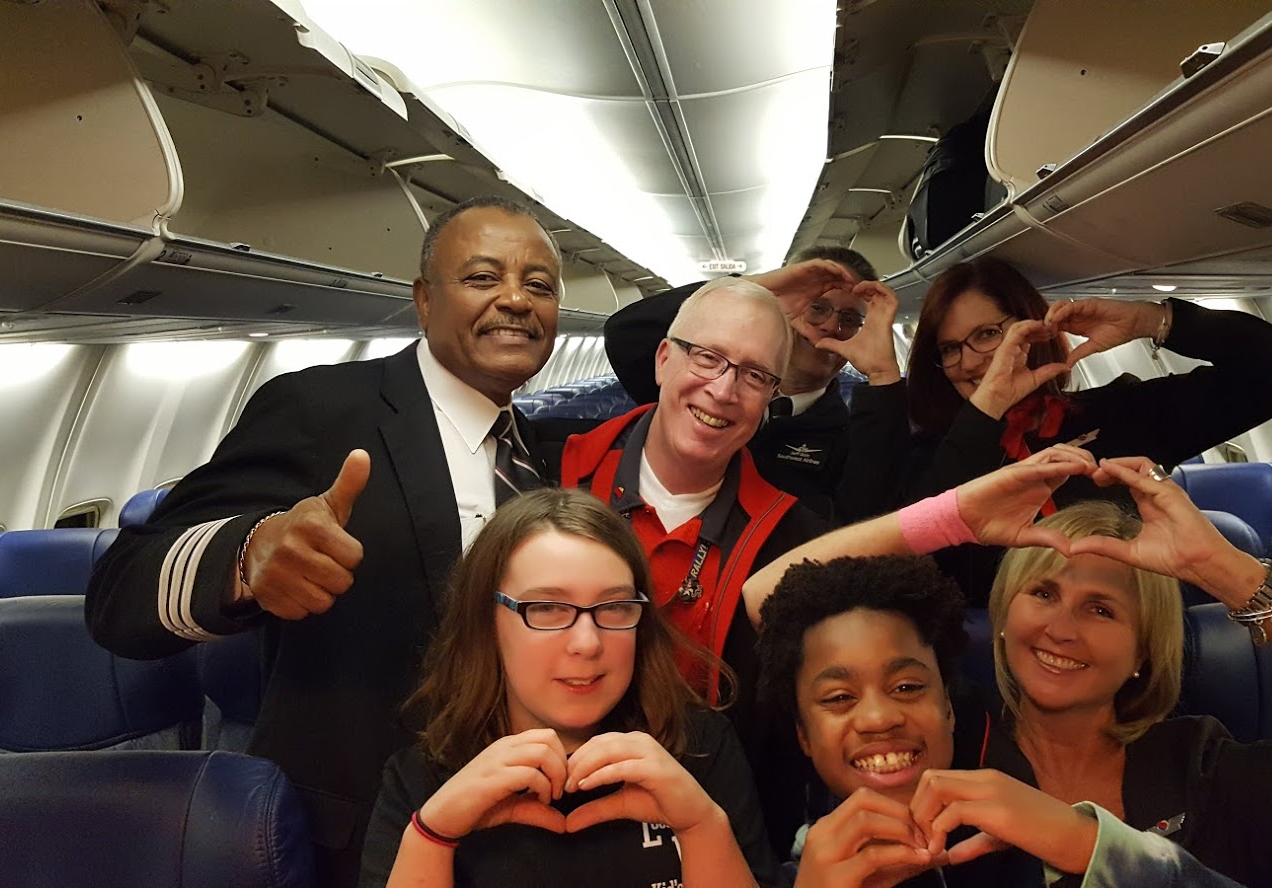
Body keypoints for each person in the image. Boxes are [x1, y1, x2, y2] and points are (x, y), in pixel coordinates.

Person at [86, 195, 562, 886]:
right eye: (483, 278)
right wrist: (247, 559)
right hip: (360, 836)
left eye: (539, 285)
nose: (515, 299)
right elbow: (120, 593)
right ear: (424, 301)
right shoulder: (321, 409)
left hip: (519, 826)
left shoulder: (540, 460)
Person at [744, 447, 1272, 888]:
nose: (1061, 627)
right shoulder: (941, 735)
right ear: (1005, 616)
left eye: (1101, 609)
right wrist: (951, 517)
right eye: (1042, 592)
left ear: (1144, 649)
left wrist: (1223, 572)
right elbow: (773, 602)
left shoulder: (1200, 770)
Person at [542, 274, 833, 856]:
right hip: (550, 819)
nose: (724, 391)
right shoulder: (546, 476)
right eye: (708, 358)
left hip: (722, 829)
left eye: (754, 376)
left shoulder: (793, 536)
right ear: (663, 359)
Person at [359, 488, 779, 887]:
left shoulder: (702, 748)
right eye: (545, 608)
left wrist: (702, 826)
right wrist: (432, 837)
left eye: (615, 607)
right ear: (486, 623)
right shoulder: (420, 781)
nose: (587, 643)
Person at [755, 555, 1251, 888]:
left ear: (949, 708)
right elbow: (756, 597)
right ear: (802, 735)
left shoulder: (1021, 846)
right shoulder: (794, 873)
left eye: (907, 687)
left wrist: (1086, 844)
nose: (880, 717)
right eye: (839, 697)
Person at [898, 255, 1272, 593]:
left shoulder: (1119, 415)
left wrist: (1152, 320)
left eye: (988, 334)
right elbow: (917, 560)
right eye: (950, 348)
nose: (968, 361)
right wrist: (985, 411)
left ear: (1033, 329)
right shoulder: (930, 450)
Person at [604, 246, 909, 522]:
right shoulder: (698, 389)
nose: (830, 325)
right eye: (817, 307)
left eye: (850, 319)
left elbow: (861, 525)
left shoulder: (857, 435)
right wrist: (754, 288)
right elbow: (627, 334)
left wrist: (882, 374)